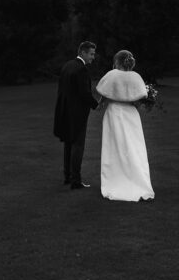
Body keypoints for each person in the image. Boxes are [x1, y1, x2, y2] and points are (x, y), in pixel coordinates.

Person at [95, 50, 154, 202]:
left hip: (114, 113)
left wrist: (100, 104)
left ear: (117, 61)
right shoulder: (136, 77)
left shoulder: (111, 75)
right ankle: (137, 179)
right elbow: (138, 100)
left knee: (114, 147)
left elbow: (104, 96)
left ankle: (115, 179)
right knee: (134, 147)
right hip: (131, 115)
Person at [53, 41, 99, 190]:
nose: (93, 57)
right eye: (91, 54)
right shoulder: (81, 69)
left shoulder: (67, 66)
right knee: (78, 146)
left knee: (68, 143)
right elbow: (84, 94)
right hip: (77, 114)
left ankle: (68, 177)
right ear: (83, 53)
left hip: (65, 111)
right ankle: (76, 181)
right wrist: (97, 105)